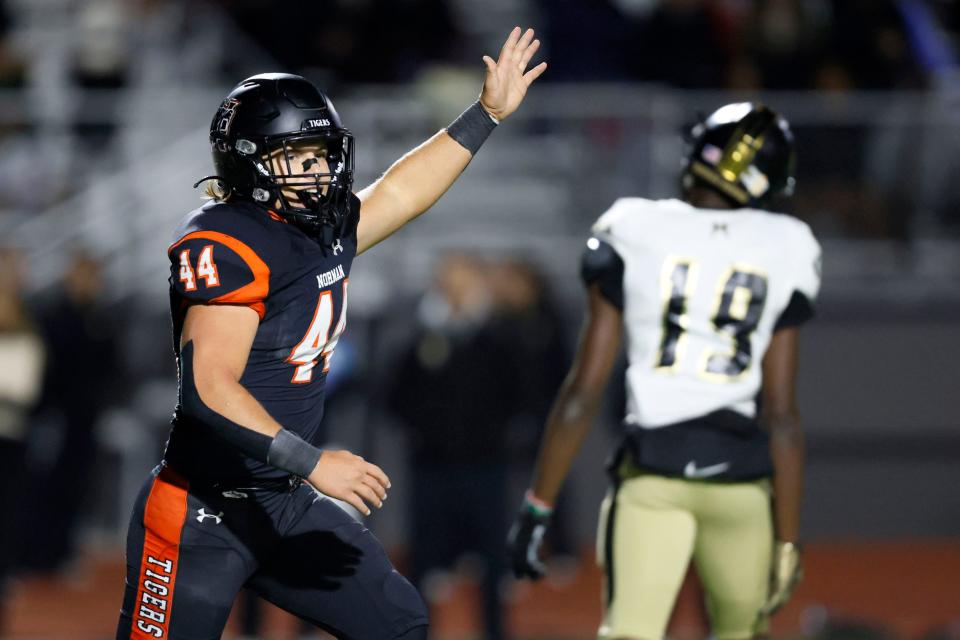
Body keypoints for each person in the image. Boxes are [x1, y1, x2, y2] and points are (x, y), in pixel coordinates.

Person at [116, 27, 546, 640]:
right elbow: (208, 388)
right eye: (301, 157)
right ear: (251, 160)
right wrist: (312, 461)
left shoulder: (320, 228)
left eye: (323, 155)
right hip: (200, 511)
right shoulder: (229, 241)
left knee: (399, 625)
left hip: (283, 503)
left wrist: (486, 115)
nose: (319, 172)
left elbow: (399, 191)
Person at [507, 103, 821, 639]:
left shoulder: (634, 225)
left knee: (631, 632)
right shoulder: (788, 243)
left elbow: (583, 392)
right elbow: (783, 416)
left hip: (654, 474)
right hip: (740, 480)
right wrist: (788, 541)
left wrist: (540, 506)